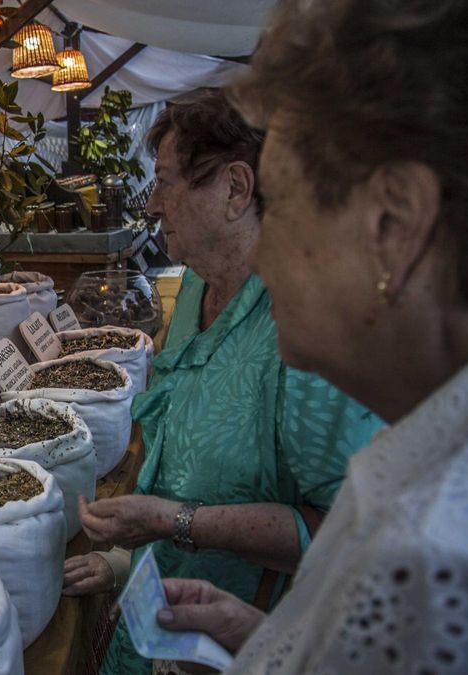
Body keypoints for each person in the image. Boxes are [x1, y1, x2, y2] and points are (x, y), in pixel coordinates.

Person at [154, 0, 468, 671]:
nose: (266, 249)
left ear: (393, 225)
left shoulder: (431, 561)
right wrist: (266, 635)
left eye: (278, 202)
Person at [61, 91, 384, 675]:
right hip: (160, 624)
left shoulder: (306, 326)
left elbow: (349, 531)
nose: (153, 203)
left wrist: (171, 522)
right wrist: (126, 563)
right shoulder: (193, 288)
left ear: (236, 189)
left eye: (165, 182)